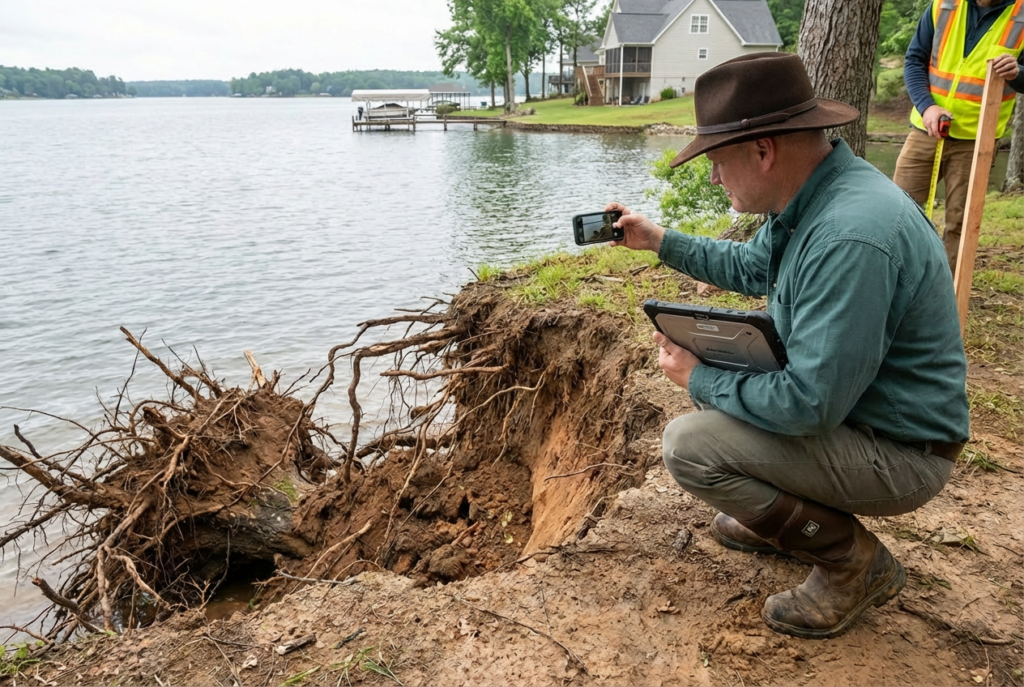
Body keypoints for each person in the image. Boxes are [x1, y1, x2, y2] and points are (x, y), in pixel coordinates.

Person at [608, 52, 970, 640]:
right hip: (865, 419)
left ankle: (853, 565)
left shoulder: (851, 236)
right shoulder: (815, 198)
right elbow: (754, 266)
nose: (713, 177)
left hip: (903, 452)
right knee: (729, 389)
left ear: (762, 150)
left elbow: (809, 404)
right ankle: (783, 516)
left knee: (691, 444)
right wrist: (660, 240)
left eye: (717, 161)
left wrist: (699, 378)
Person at [893, 0, 1024, 274]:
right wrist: (927, 107)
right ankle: (892, 281)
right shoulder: (943, 6)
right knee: (896, 209)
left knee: (960, 224)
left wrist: (1017, 73)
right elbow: (914, 59)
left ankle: (946, 296)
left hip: (978, 140)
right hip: (927, 129)